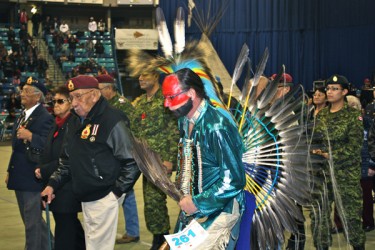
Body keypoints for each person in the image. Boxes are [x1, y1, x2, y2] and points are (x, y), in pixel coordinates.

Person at [41, 75, 141, 250]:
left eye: (78, 96)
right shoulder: (74, 121)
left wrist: (115, 193)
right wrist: (52, 184)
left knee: (98, 247)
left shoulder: (112, 119)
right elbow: (67, 160)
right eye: (71, 98)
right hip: (84, 195)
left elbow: (132, 160)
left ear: (94, 95)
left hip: (103, 195)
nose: (73, 103)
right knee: (93, 245)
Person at [161, 68, 245, 249]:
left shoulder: (216, 126)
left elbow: (235, 180)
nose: (166, 104)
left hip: (220, 209)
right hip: (193, 209)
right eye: (165, 98)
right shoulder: (184, 120)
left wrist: (198, 202)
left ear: (191, 93)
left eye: (171, 97)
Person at [311, 74, 365, 250]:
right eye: (328, 89)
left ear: (344, 92)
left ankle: (358, 246)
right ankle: (322, 246)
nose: (330, 92)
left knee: (351, 217)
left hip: (345, 176)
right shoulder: (321, 116)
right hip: (323, 175)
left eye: (335, 89)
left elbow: (354, 146)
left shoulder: (353, 116)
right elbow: (316, 140)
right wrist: (315, 151)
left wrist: (330, 154)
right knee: (319, 217)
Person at [5, 76, 54, 250]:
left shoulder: (45, 117)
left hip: (34, 176)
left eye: (27, 91)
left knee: (32, 223)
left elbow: (49, 145)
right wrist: (10, 169)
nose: (22, 94)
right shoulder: (22, 115)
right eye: (23, 90)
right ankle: (51, 246)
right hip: (20, 174)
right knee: (30, 220)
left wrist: (31, 136)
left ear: (37, 97)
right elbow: (17, 148)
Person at [132, 70, 178, 250]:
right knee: (151, 202)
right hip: (145, 159)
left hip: (161, 159)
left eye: (145, 75)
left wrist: (169, 160)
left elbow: (173, 130)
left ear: (156, 77)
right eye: (139, 76)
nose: (140, 78)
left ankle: (162, 239)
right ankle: (160, 236)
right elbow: (136, 129)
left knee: (156, 200)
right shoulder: (142, 102)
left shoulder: (164, 100)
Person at [35, 86, 86, 250]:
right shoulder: (56, 123)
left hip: (67, 187)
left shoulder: (74, 124)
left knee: (65, 232)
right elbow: (48, 151)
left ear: (71, 103)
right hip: (55, 184)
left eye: (60, 101)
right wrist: (40, 167)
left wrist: (43, 170)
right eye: (53, 101)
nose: (55, 105)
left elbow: (67, 158)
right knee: (70, 227)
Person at [95, 74, 140, 244]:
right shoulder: (104, 105)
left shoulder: (122, 106)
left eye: (99, 90)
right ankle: (130, 230)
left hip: (123, 155)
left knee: (126, 192)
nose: (97, 94)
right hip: (109, 155)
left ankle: (133, 231)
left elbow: (132, 130)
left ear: (108, 89)